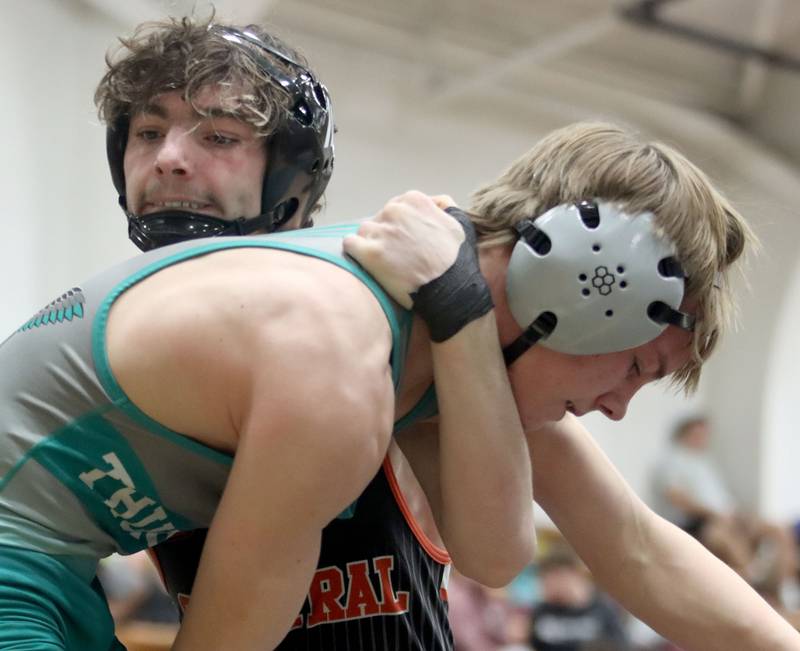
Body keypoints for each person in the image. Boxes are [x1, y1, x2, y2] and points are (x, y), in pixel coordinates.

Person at [2, 18, 798, 650]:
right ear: (589, 286)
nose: (621, 407)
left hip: (54, 575)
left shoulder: (438, 332)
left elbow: (620, 547)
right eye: (635, 368)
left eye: (217, 137)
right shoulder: (338, 349)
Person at [94, 15, 463, 650]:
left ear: (287, 175)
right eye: (148, 132)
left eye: (218, 136)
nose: (170, 159)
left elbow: (619, 544)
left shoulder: (391, 325)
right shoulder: (102, 353)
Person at [652, 416, 798, 597]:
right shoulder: (672, 460)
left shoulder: (705, 463)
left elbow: (723, 501)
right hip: (699, 522)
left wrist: (739, 516)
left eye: (705, 434)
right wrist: (715, 514)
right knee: (725, 537)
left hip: (728, 516)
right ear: (684, 433)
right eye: (697, 433)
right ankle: (755, 589)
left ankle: (780, 593)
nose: (702, 438)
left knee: (778, 530)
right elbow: (677, 498)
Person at [528, 547, 630, 651]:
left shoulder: (603, 609)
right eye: (545, 579)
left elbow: (620, 645)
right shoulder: (541, 611)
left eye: (556, 577)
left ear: (576, 575)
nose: (549, 584)